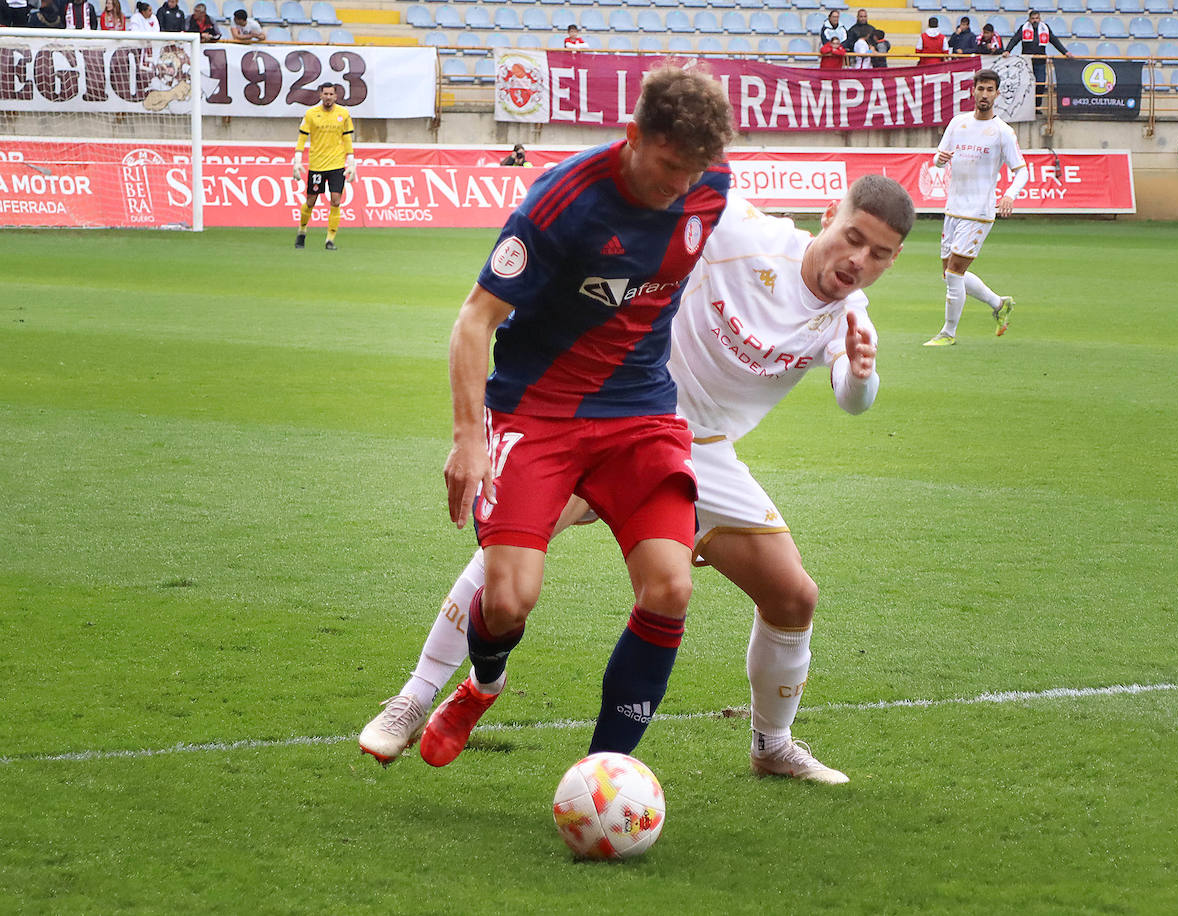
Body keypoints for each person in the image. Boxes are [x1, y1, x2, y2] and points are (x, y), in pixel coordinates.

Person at [360, 176, 914, 784]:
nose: (858, 260)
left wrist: (860, 372)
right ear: (828, 217)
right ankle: (417, 695)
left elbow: (853, 398)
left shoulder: (849, 317)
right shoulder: (745, 233)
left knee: (793, 597)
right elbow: (681, 194)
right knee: (519, 548)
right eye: (852, 238)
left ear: (894, 259)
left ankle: (771, 744)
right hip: (619, 408)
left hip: (701, 451)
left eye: (879, 253)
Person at [410, 65, 735, 770]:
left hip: (641, 412)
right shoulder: (562, 202)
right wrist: (469, 440)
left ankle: (604, 774)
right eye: (671, 166)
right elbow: (474, 320)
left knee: (672, 588)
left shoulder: (710, 185)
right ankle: (481, 685)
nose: (683, 186)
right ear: (633, 137)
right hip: (540, 410)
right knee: (508, 601)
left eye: (696, 170)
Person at [923, 69, 1027, 347]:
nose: (984, 94)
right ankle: (998, 303)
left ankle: (948, 333)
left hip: (979, 212)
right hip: (954, 208)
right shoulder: (958, 123)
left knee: (955, 273)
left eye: (990, 90)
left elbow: (1022, 171)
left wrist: (1009, 195)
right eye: (980, 89)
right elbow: (938, 159)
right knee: (948, 274)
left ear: (997, 93)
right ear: (973, 91)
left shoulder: (1002, 132)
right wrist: (940, 159)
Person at [292, 82, 355, 250]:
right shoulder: (311, 114)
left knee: (335, 201)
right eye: (325, 94)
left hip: (336, 164)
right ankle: (302, 231)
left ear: (336, 96)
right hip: (317, 164)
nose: (328, 97)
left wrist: (351, 161)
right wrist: (297, 158)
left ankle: (330, 240)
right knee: (311, 201)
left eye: (331, 94)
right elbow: (302, 137)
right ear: (320, 95)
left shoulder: (344, 114)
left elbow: (347, 138)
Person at [1003, 10, 1073, 111]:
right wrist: (1007, 50)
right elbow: (1014, 40)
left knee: (1040, 84)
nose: (1035, 21)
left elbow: (1054, 40)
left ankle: (1037, 107)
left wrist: (1065, 52)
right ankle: (1024, 107)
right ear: (1029, 19)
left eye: (1037, 18)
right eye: (1033, 19)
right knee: (1025, 85)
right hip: (1027, 62)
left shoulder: (1045, 28)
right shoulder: (1023, 28)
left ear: (1040, 19)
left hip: (1040, 62)